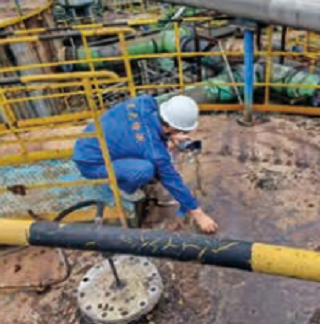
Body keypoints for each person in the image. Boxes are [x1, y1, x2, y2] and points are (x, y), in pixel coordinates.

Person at [73, 94, 219, 234]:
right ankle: (122, 188)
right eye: (182, 131)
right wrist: (199, 215)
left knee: (144, 155)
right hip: (90, 163)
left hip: (88, 139)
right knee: (145, 170)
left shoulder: (144, 102)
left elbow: (147, 133)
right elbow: (173, 181)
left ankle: (124, 169)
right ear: (171, 128)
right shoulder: (154, 152)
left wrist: (169, 138)